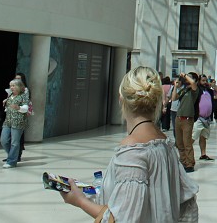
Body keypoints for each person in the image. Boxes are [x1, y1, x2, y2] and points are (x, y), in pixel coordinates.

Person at [58, 66, 199, 222]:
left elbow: (122, 219)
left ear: (121, 99)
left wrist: (79, 201)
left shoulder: (132, 151)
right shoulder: (166, 144)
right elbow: (187, 208)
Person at [172, 73, 198, 172]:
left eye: (190, 77)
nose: (187, 79)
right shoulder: (184, 90)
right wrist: (175, 86)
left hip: (187, 119)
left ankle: (190, 163)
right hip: (178, 118)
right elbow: (174, 98)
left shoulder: (194, 90)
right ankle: (183, 162)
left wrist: (185, 75)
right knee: (179, 143)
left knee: (187, 142)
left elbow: (193, 82)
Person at [0, 79, 28, 168]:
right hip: (8, 121)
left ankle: (11, 161)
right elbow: (8, 108)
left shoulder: (23, 96)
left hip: (18, 122)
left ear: (19, 87)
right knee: (4, 140)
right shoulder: (10, 96)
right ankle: (12, 156)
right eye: (10, 86)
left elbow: (26, 108)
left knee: (15, 142)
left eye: (13, 86)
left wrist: (18, 107)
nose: (11, 88)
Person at [192, 77, 213, 162]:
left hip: (207, 119)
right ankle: (186, 154)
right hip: (198, 118)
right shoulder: (197, 91)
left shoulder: (209, 91)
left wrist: (214, 86)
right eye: (203, 81)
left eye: (206, 81)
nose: (205, 82)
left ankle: (203, 154)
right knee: (192, 137)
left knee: (203, 137)